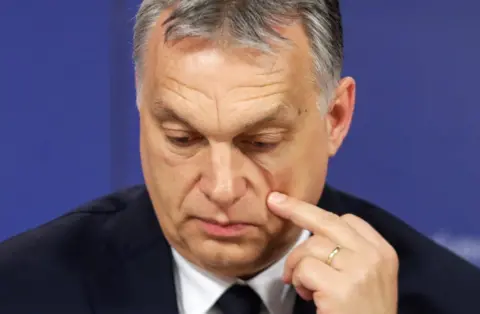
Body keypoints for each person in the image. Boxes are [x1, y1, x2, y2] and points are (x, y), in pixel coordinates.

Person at [1, 0, 479, 313]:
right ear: (140, 109)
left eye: (261, 143)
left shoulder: (455, 299)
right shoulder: (20, 291)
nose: (222, 188)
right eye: (183, 139)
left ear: (334, 117)